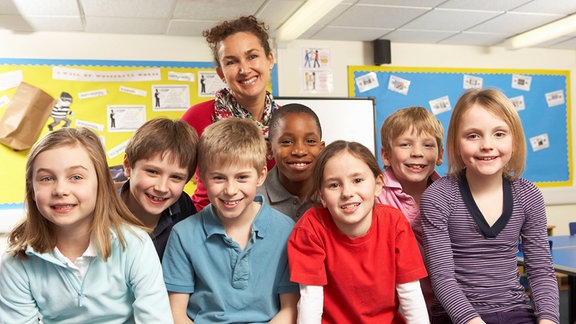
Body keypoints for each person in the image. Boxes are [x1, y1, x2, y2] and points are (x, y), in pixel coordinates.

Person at [0, 127, 172, 323]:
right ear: (32, 190)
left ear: (101, 184)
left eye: (76, 177)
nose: (61, 190)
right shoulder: (15, 263)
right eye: (46, 179)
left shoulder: (135, 245)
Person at [420, 89, 559, 324]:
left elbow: (541, 271)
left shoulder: (528, 196)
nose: (487, 145)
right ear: (456, 142)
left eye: (499, 134)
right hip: (456, 315)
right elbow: (442, 277)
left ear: (514, 140)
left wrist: (548, 320)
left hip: (515, 310)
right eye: (473, 136)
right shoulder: (438, 196)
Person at [162, 118, 299, 323]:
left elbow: (290, 309)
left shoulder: (287, 230)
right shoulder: (183, 234)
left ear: (261, 176)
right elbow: (176, 313)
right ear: (203, 179)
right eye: (218, 178)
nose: (230, 190)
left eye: (242, 177)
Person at [288, 140, 429, 323]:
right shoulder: (311, 228)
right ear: (321, 196)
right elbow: (310, 300)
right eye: (334, 185)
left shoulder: (395, 224)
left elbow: (410, 294)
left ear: (378, 185)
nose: (347, 192)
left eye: (357, 180)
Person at [181, 15, 278, 211]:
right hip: (206, 225)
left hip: (267, 227)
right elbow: (172, 174)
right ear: (221, 73)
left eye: (252, 56)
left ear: (269, 60)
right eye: (231, 62)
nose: (244, 69)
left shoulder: (286, 122)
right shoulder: (197, 117)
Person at [119, 117, 198, 261]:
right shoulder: (101, 211)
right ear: (128, 166)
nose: (162, 188)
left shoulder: (184, 206)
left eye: (176, 177)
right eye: (152, 172)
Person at [257, 103, 324, 221]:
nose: (299, 151)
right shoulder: (252, 199)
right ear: (269, 149)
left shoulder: (333, 195)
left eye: (310, 141)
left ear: (321, 148)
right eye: (287, 142)